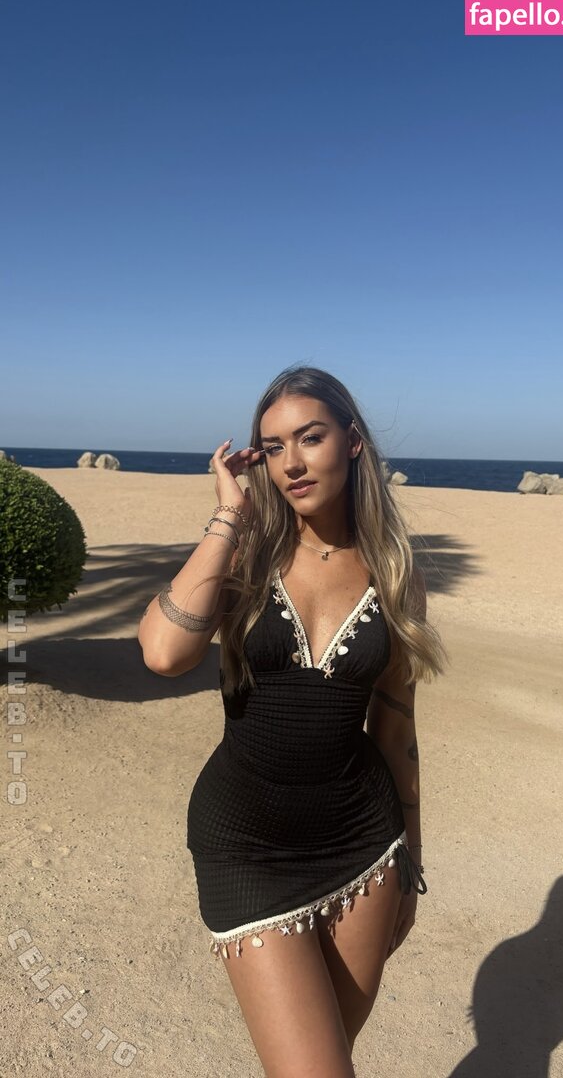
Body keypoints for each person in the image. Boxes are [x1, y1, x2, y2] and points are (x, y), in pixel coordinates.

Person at [138, 366, 448, 1077]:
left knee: (329, 1058)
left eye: (310, 438)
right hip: (244, 844)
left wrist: (411, 859)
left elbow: (396, 731)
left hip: (363, 845)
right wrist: (229, 516)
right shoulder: (247, 556)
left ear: (353, 442)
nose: (292, 463)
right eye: (274, 447)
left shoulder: (394, 570)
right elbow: (163, 653)